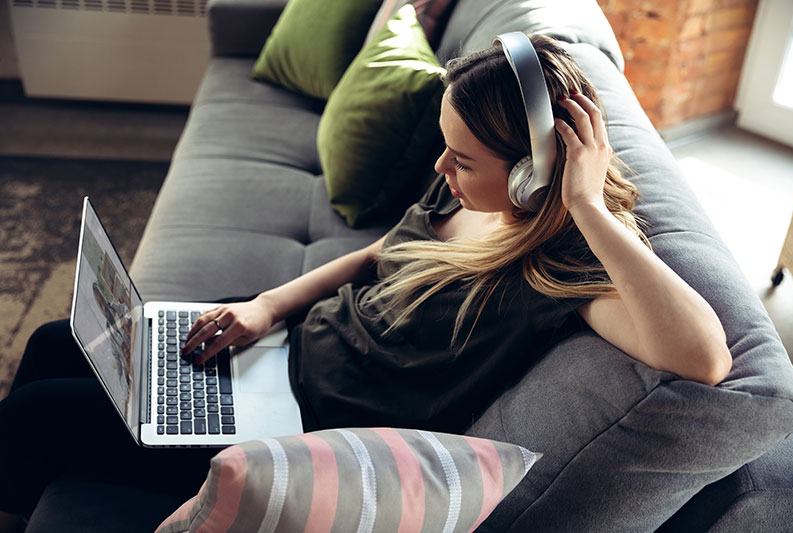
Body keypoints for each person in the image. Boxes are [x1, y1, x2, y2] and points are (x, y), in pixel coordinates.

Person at [0, 34, 732, 530]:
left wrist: (586, 204)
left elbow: (706, 356)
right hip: (277, 346)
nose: (441, 171)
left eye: (462, 159)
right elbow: (381, 252)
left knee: (37, 416)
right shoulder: (465, 191)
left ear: (532, 170)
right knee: (54, 343)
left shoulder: (565, 263)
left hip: (290, 421)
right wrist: (266, 306)